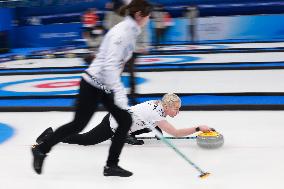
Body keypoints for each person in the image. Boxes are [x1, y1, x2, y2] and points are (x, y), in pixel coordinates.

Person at [31, 0, 153, 177]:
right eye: (148, 15)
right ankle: (42, 149)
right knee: (78, 125)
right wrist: (118, 93)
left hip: (104, 84)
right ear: (139, 15)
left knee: (125, 120)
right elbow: (110, 65)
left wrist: (115, 91)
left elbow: (117, 65)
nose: (149, 18)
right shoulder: (123, 32)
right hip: (93, 83)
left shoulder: (131, 31)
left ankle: (111, 166)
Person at [36, 94, 213, 149]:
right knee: (85, 140)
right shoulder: (157, 114)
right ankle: (51, 136)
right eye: (176, 108)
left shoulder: (158, 105)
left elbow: (144, 119)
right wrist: (198, 127)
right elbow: (175, 133)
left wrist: (158, 131)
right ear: (167, 107)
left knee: (149, 128)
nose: (178, 111)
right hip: (113, 124)